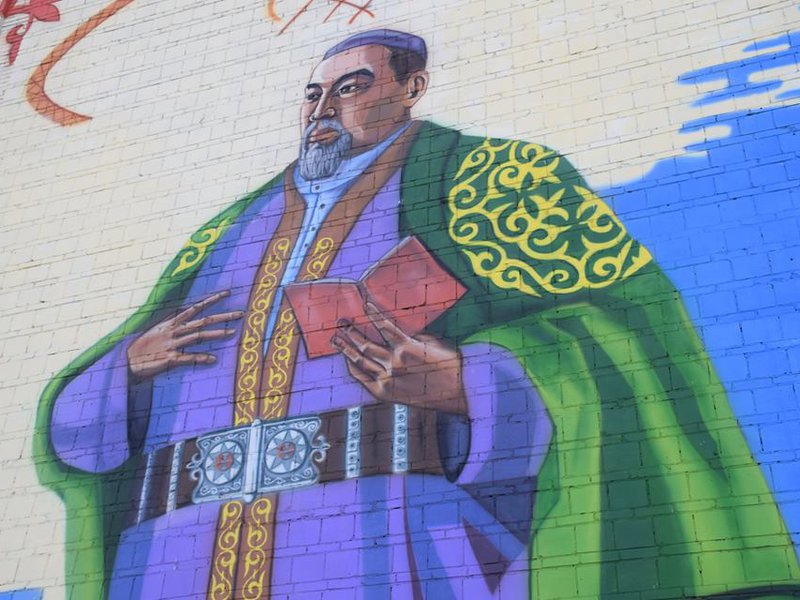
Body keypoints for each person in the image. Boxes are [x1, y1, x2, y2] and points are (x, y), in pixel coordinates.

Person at [36, 29, 800, 600]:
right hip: (177, 561)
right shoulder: (223, 235)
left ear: (413, 87)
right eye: (314, 93)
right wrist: (124, 370)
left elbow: (627, 336)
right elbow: (74, 436)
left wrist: (473, 383)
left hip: (390, 551)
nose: (323, 107)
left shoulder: (496, 181)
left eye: (351, 86)